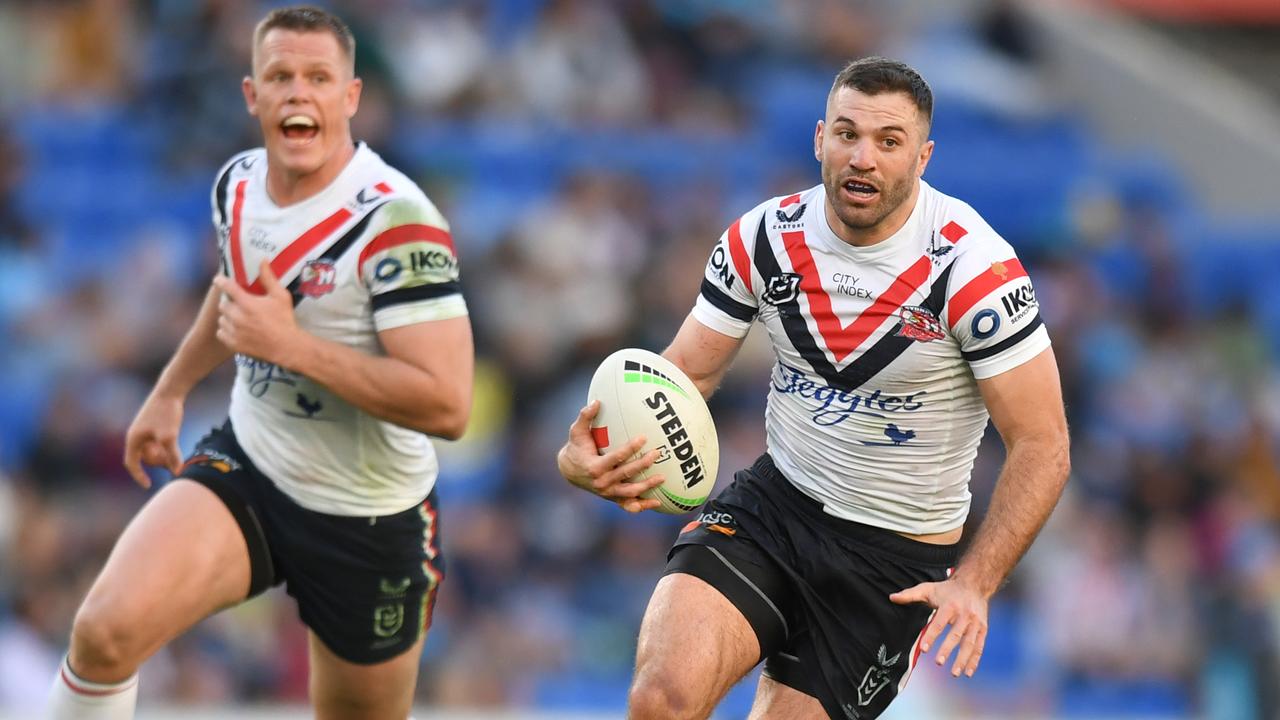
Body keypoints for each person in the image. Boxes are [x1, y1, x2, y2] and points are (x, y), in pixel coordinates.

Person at [558, 57, 1070, 720]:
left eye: (889, 142)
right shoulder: (763, 239)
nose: (864, 158)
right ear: (819, 138)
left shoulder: (974, 271)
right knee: (661, 701)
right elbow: (685, 376)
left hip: (894, 563)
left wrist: (976, 582)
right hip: (774, 510)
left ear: (923, 156)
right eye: (848, 135)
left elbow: (1043, 442)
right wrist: (587, 454)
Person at [45, 7, 473, 719]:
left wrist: (292, 347)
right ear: (253, 95)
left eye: (318, 78)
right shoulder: (238, 185)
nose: (298, 93)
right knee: (103, 633)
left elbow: (447, 405)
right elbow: (237, 301)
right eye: (280, 77)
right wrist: (170, 390)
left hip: (368, 519)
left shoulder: (399, 223)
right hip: (254, 464)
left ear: (351, 97)